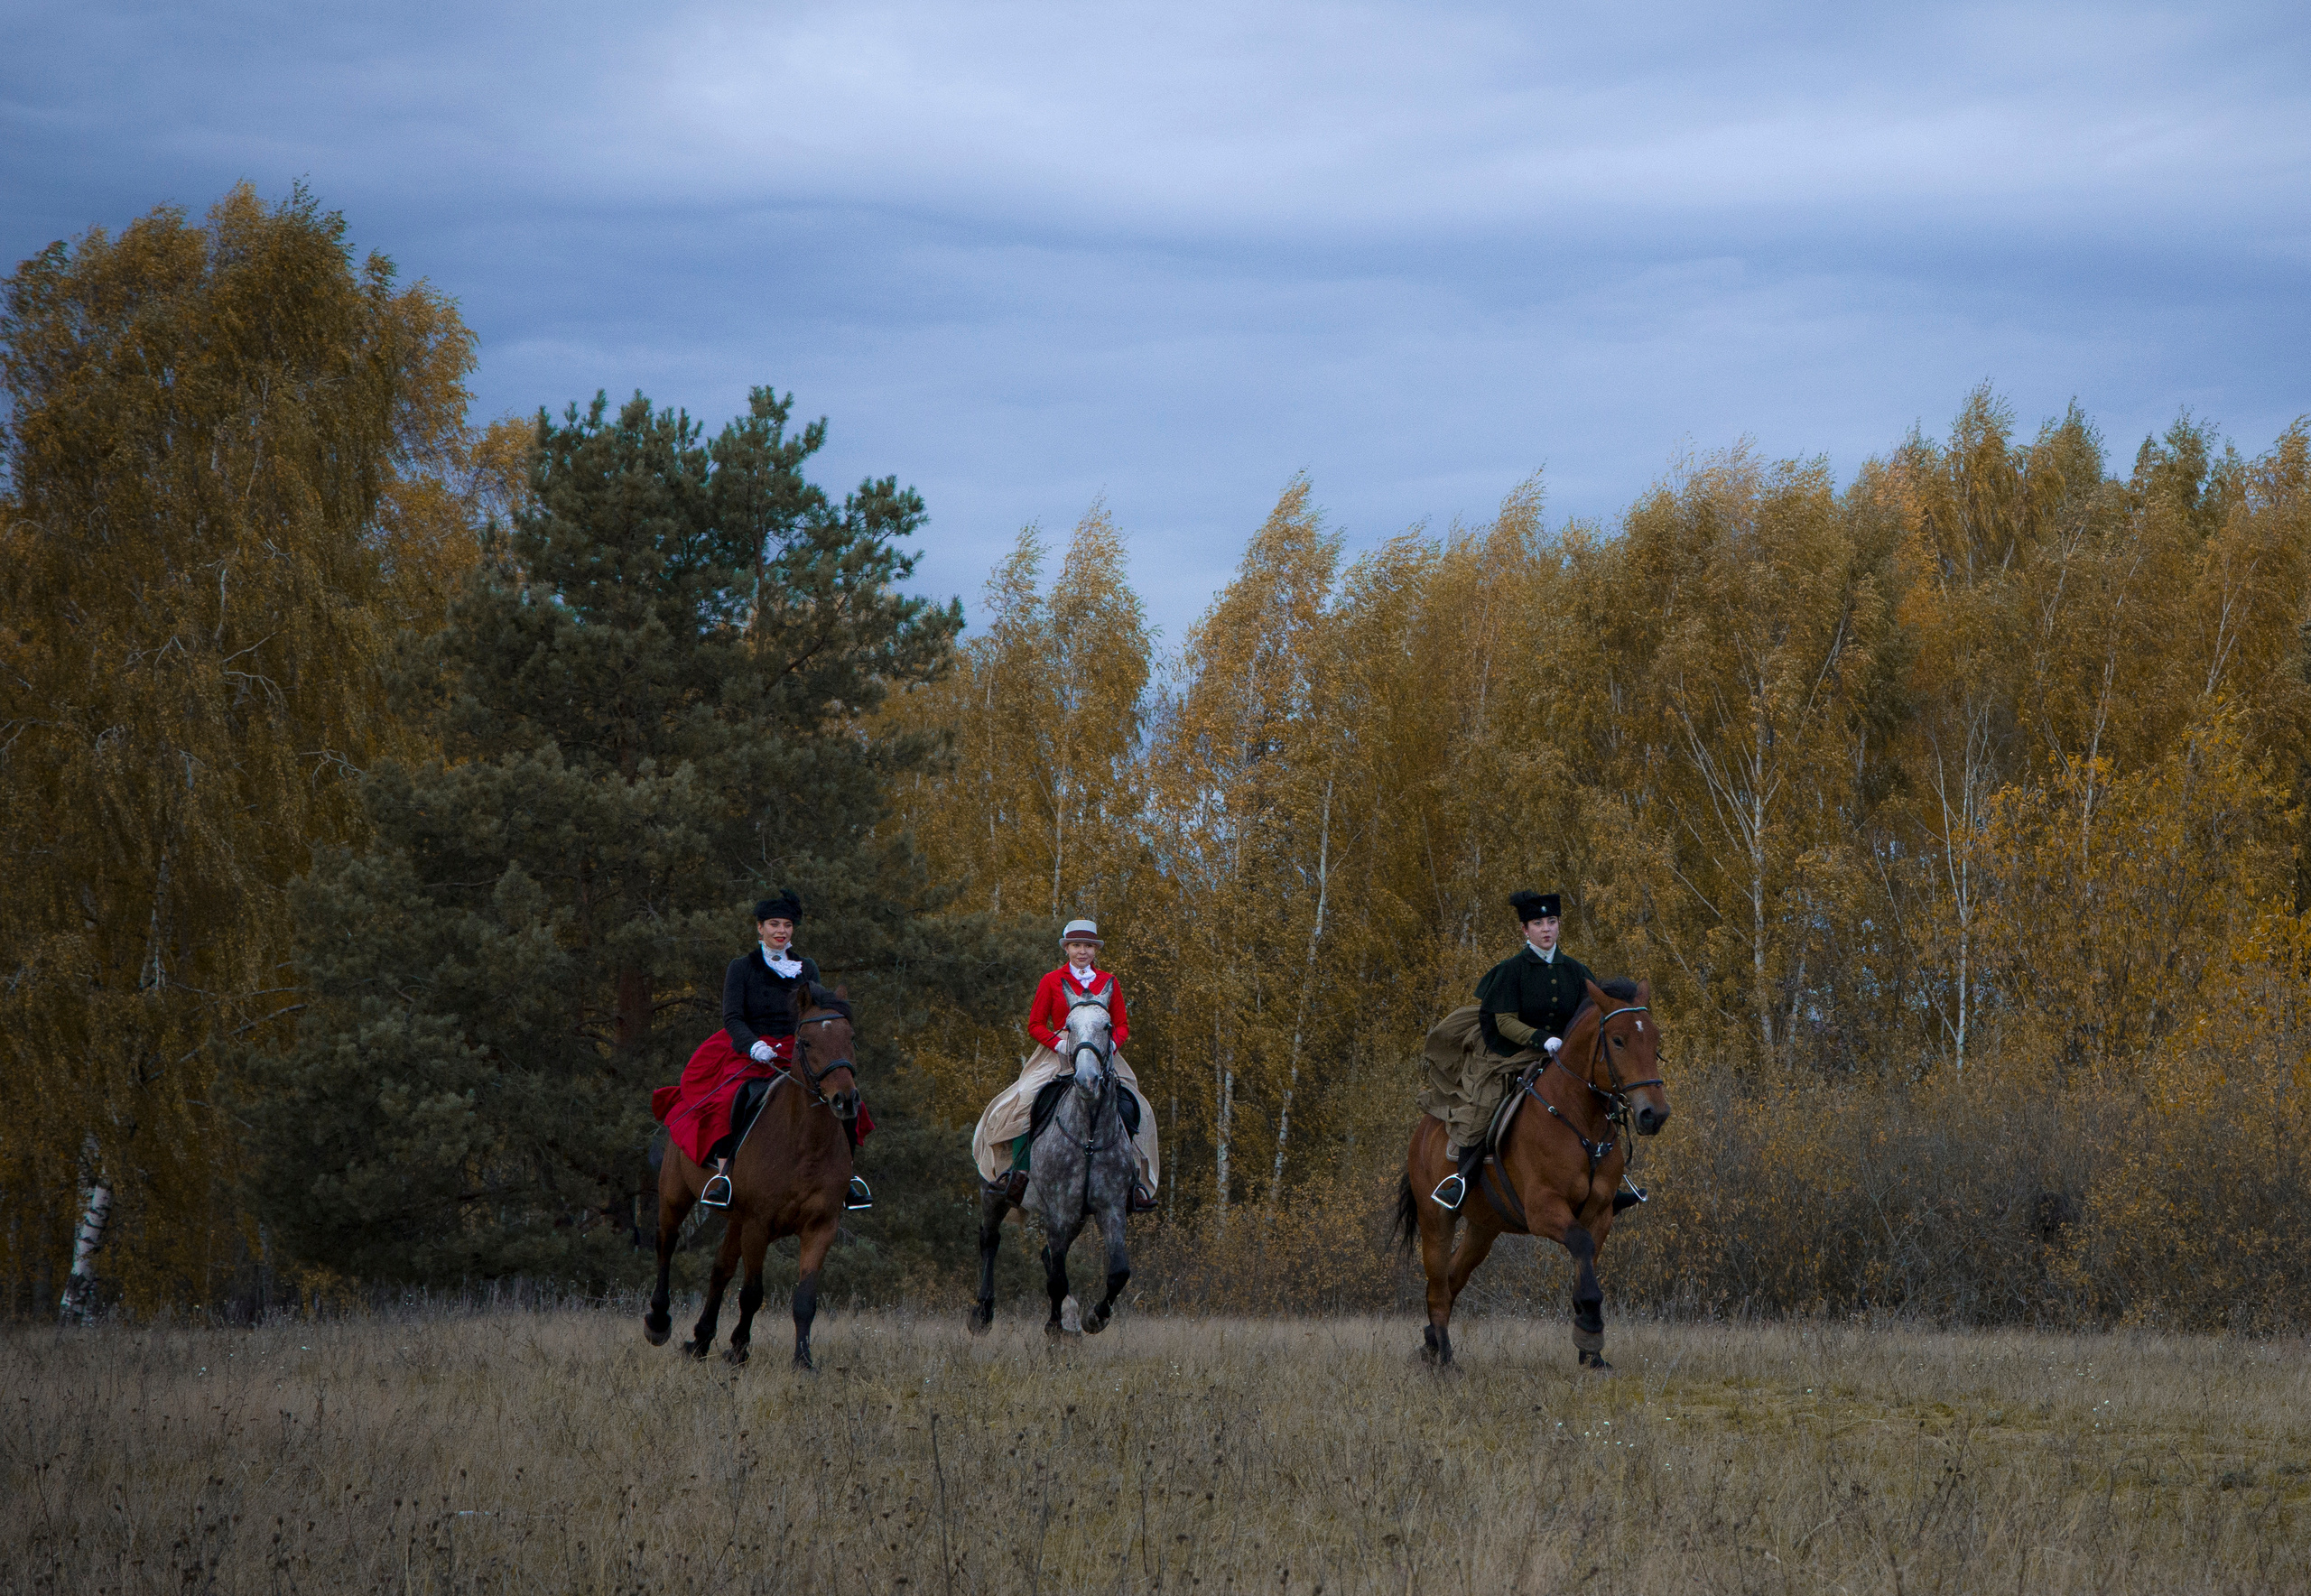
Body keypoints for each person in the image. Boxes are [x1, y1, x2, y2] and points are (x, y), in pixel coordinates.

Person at [971, 918, 1160, 1213]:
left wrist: (1110, 1045)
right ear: (1067, 948)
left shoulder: (1109, 981)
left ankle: (1133, 1181)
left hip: (1102, 1052)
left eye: (1087, 946)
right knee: (1024, 1102)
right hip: (1057, 1053)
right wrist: (1060, 1044)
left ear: (1095, 949)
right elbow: (1035, 1024)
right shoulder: (1051, 980)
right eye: (1076, 945)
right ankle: (1017, 1173)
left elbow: (1122, 1025)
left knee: (1137, 1106)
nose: (1082, 951)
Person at [694, 893, 870, 1210]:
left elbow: (817, 1014)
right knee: (726, 1098)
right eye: (774, 924)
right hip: (751, 1048)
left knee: (846, 1094)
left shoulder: (807, 967)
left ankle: (849, 1178)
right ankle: (725, 1177)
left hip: (798, 1047)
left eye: (787, 925)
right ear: (760, 928)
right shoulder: (741, 968)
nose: (782, 931)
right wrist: (753, 1045)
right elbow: (732, 1017)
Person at [1431, 889, 1599, 1211]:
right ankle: (1462, 1180)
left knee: (1603, 1092)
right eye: (1538, 923)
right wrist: (1541, 1039)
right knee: (1486, 1100)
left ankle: (1612, 1180)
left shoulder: (1577, 971)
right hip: (1512, 1051)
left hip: (1565, 1057)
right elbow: (1505, 1022)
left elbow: (1591, 1015)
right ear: (1525, 930)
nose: (1546, 929)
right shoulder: (1511, 970)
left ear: (1559, 925)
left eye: (1552, 921)